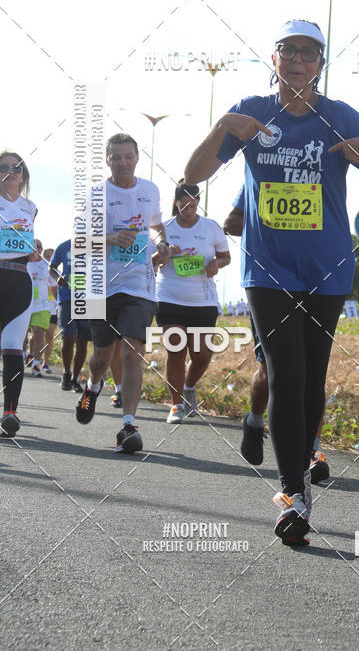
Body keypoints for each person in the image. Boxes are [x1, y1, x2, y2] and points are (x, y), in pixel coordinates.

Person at [185, 19, 359, 544]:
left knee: (311, 377)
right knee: (285, 372)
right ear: (275, 59)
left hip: (328, 270)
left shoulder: (339, 116)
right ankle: (292, 494)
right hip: (268, 270)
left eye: (310, 53)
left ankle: (302, 463)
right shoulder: (254, 112)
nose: (299, 61)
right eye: (289, 52)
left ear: (321, 64)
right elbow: (193, 174)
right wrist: (222, 128)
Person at [223, 188, 331, 483]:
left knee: (311, 372)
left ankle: (311, 451)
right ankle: (255, 421)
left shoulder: (322, 175)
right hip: (270, 283)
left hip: (315, 281)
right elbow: (230, 223)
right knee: (272, 370)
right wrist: (276, 220)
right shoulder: (260, 175)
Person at [74, 133, 170, 453]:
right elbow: (81, 241)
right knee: (102, 355)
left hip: (139, 285)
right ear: (107, 160)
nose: (123, 162)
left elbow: (156, 226)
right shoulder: (96, 195)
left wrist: (163, 246)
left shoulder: (150, 190)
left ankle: (128, 426)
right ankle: (93, 385)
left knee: (132, 352)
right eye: (116, 157)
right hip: (102, 286)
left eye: (128, 156)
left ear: (137, 157)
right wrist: (112, 238)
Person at [154, 180, 230, 425]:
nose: (189, 211)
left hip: (203, 300)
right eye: (185, 206)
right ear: (176, 204)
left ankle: (188, 387)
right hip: (169, 297)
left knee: (202, 354)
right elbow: (151, 263)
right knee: (176, 351)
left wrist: (215, 264)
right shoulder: (163, 229)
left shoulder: (211, 227)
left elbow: (225, 257)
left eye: (194, 206)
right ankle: (176, 406)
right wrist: (163, 254)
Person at [0, 151, 36, 437]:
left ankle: (10, 412)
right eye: (4, 167)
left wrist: (35, 247)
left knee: (13, 346)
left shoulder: (30, 207)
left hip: (20, 280)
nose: (11, 172)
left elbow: (26, 244)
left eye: (17, 168)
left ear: (23, 174)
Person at [49, 239, 92, 393]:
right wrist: (57, 278)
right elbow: (51, 268)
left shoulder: (99, 245)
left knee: (83, 342)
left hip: (90, 299)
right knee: (69, 336)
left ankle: (75, 378)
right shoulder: (64, 246)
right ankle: (66, 373)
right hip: (67, 297)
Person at [26, 240, 51, 377]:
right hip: (24, 303)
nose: (35, 250)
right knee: (23, 335)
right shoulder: (25, 263)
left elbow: (53, 285)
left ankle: (36, 365)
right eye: (32, 247)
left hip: (41, 306)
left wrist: (58, 304)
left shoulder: (47, 265)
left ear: (41, 249)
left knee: (38, 333)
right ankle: (22, 356)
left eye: (38, 247)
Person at [42, 248, 58, 372]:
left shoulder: (57, 272)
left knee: (50, 336)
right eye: (47, 256)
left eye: (51, 257)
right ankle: (31, 355)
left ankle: (45, 363)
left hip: (53, 309)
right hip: (39, 308)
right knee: (36, 336)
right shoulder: (39, 269)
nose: (49, 259)